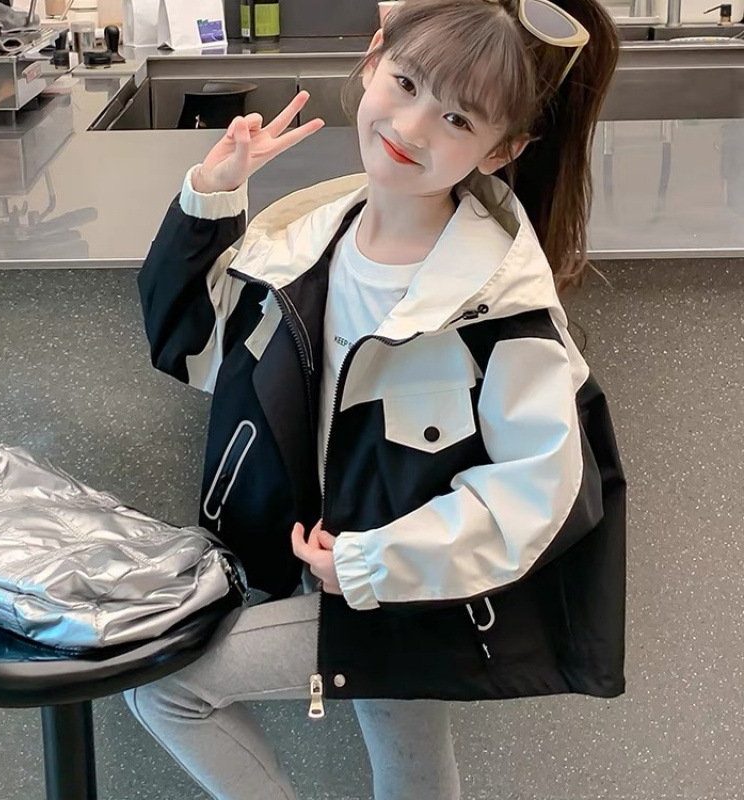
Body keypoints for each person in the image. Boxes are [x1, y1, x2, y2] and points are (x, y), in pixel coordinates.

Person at [125, 0, 627, 797]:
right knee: (411, 759)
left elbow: (538, 488)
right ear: (372, 60)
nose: (413, 127)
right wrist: (211, 197)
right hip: (333, 571)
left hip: (402, 592)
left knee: (170, 689)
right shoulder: (304, 241)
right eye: (407, 83)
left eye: (457, 118)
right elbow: (193, 348)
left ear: (503, 150)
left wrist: (373, 564)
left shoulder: (498, 306)